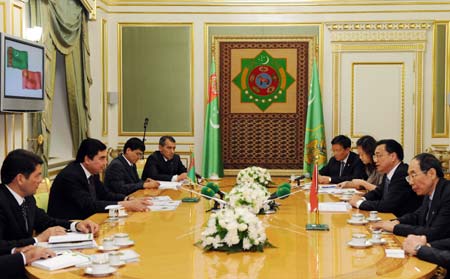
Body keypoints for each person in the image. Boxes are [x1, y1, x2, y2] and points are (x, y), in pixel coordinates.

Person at [0, 149, 98, 254]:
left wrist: (76, 225)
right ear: (20, 179)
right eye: (37, 175)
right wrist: (38, 239)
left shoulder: (27, 198)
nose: (41, 180)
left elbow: (46, 222)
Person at [48, 138, 151, 220]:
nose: (106, 163)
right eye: (102, 158)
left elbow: (105, 194)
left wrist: (128, 199)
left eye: (106, 158)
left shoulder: (92, 172)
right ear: (87, 159)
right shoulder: (71, 176)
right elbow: (89, 205)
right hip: (67, 226)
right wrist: (125, 205)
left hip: (88, 220)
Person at [371, 153, 450, 241]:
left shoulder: (447, 194)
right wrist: (397, 221)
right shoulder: (430, 191)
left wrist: (395, 228)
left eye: (413, 175)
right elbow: (418, 215)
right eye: (409, 177)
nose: (410, 182)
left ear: (431, 173)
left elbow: (434, 233)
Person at [349, 139, 422, 217]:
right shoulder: (389, 172)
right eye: (374, 156)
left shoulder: (402, 173)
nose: (375, 160)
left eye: (379, 156)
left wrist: (359, 203)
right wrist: (363, 198)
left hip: (402, 220)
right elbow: (378, 192)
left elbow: (388, 205)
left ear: (393, 156)